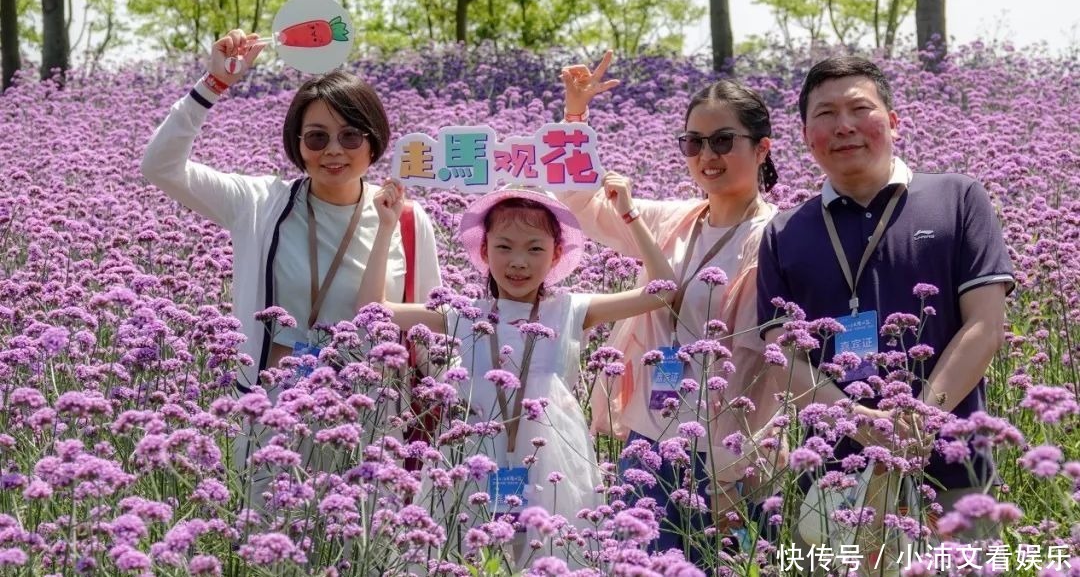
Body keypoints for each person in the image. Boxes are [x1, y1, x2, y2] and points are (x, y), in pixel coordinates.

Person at [756, 56, 1014, 554]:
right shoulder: (785, 232)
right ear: (806, 134)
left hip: (951, 470)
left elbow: (985, 325)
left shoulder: (957, 198)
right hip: (832, 481)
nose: (844, 126)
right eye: (825, 114)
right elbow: (780, 356)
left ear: (893, 121)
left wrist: (920, 417)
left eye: (860, 108)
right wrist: (857, 418)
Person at [357, 178, 676, 565]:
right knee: (462, 555)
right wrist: (386, 226)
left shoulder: (569, 309)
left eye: (535, 249)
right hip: (474, 455)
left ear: (557, 255)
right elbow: (374, 307)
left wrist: (628, 213)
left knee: (554, 553)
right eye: (503, 247)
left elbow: (663, 290)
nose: (518, 262)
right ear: (485, 251)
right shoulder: (465, 314)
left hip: (552, 460)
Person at [557, 52, 786, 562]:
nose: (708, 154)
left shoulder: (777, 235)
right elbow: (576, 204)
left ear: (762, 147)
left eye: (724, 141)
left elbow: (777, 357)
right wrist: (575, 118)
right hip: (650, 435)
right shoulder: (673, 219)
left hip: (729, 447)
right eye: (693, 142)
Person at [140, 29, 442, 390]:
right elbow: (160, 166)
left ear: (373, 140)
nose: (333, 150)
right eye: (316, 137)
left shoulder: (404, 217)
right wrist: (214, 84)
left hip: (373, 421)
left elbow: (428, 335)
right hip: (274, 415)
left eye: (350, 136)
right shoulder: (259, 203)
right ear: (297, 144)